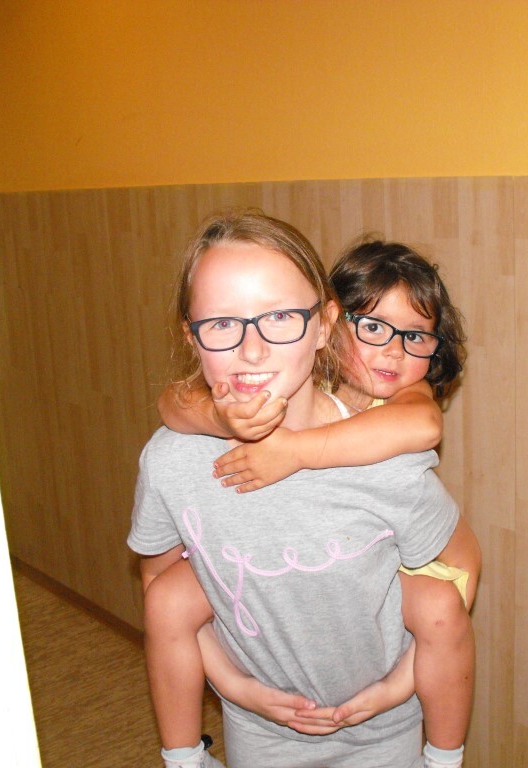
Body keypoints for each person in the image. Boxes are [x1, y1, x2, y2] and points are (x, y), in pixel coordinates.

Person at [129, 211, 476, 768]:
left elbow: (457, 576)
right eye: (222, 323)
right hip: (258, 733)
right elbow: (160, 593)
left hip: (383, 733)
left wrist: (396, 690)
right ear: (190, 335)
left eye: (280, 316)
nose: (252, 350)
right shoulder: (173, 459)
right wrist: (237, 688)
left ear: (322, 325)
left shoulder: (388, 449)